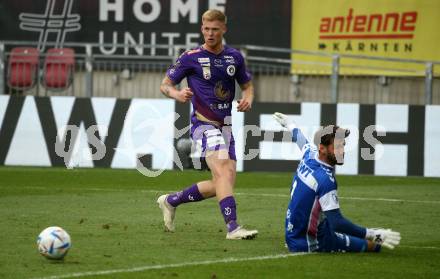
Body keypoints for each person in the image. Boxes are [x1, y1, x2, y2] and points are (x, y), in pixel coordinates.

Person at [156, 9, 258, 240]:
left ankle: (172, 200)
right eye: (206, 29)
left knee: (223, 181)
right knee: (222, 170)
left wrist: (248, 99)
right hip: (204, 124)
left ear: (224, 29)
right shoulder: (190, 57)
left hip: (227, 127)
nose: (210, 34)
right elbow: (165, 84)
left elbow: (248, 86)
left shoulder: (235, 57)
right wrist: (176, 93)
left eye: (215, 29)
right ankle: (233, 227)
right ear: (202, 28)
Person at [273, 112, 401, 252]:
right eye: (337, 147)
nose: (342, 151)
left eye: (343, 145)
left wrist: (290, 124)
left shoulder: (310, 154)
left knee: (344, 228)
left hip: (294, 232)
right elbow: (337, 223)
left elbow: (301, 140)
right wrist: (371, 234)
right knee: (374, 246)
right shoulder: (325, 180)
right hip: (311, 241)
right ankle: (368, 238)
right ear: (322, 148)